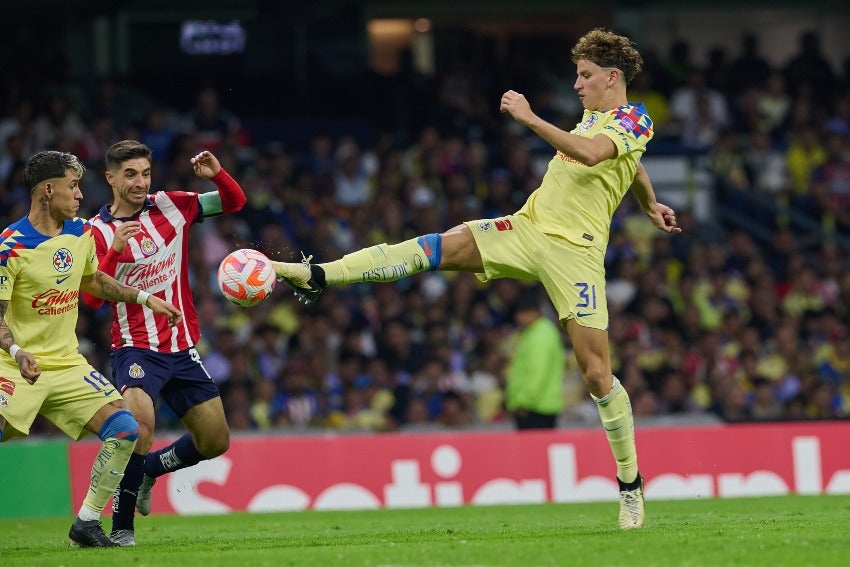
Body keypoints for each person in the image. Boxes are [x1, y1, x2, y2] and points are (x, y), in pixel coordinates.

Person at [274, 28, 681, 530]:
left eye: (585, 75)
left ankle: (630, 484)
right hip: (527, 227)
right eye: (577, 75)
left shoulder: (635, 117)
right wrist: (649, 202)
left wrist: (529, 117)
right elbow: (629, 164)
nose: (577, 84)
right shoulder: (599, 119)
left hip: (576, 253)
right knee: (435, 247)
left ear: (611, 77)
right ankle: (319, 275)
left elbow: (599, 154)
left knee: (597, 375)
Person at [0, 150, 183, 547]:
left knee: (124, 429)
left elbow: (94, 281)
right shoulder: (11, 246)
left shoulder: (80, 233)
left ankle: (85, 523)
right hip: (13, 365)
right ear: (48, 191)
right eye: (73, 186)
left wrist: (145, 299)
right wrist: (17, 353)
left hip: (66, 364)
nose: (81, 195)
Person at [81, 140, 247, 546]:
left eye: (145, 173)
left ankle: (150, 471)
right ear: (111, 178)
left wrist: (218, 175)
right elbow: (91, 298)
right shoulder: (95, 231)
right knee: (140, 428)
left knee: (215, 441)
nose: (140, 183)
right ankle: (121, 530)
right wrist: (114, 253)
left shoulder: (172, 205)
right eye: (131, 175)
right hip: (135, 346)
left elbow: (235, 203)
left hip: (182, 345)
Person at [505, 292, 566, 430]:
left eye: (519, 314)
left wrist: (523, 402)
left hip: (536, 407)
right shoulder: (533, 332)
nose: (517, 318)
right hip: (537, 405)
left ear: (532, 312)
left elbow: (537, 372)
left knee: (533, 450)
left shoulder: (541, 335)